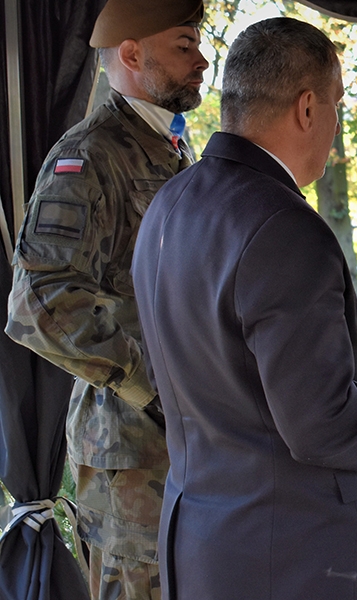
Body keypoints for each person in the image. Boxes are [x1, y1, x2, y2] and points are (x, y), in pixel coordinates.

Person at [130, 17, 357, 600]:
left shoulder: (172, 202)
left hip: (199, 536)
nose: (337, 126)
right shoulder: (285, 229)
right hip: (291, 556)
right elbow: (320, 424)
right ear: (307, 109)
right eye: (337, 106)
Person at [5, 1, 207, 598]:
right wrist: (153, 382)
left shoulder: (167, 145)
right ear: (132, 53)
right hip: (130, 456)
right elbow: (37, 302)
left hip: (181, 445)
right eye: (184, 45)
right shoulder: (91, 154)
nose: (201, 61)